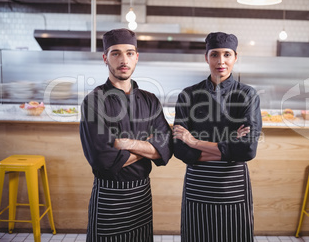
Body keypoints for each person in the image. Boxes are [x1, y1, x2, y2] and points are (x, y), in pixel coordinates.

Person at [79, 28, 173, 242]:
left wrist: (126, 144)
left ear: (137, 57)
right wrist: (149, 146)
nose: (124, 59)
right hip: (108, 199)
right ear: (105, 58)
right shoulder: (94, 101)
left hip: (141, 197)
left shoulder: (150, 100)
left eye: (130, 53)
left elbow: (167, 144)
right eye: (116, 53)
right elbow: (101, 159)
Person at [172, 32, 262, 242]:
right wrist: (229, 149)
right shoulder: (188, 95)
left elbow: (247, 150)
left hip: (232, 188)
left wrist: (194, 142)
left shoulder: (247, 95)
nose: (221, 61)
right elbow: (180, 149)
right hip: (198, 188)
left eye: (227, 55)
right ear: (206, 57)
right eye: (214, 55)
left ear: (235, 57)